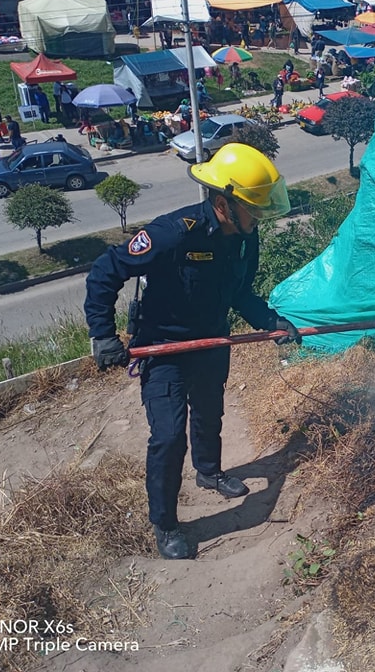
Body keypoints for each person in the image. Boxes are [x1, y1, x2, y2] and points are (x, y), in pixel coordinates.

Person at [83, 143, 302, 560]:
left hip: (212, 341)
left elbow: (240, 293)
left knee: (209, 411)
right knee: (167, 436)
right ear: (222, 204)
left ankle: (209, 472)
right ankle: (165, 523)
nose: (258, 218)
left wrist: (270, 322)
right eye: (251, 209)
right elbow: (104, 272)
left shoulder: (243, 238)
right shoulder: (172, 233)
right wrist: (104, 334)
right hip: (163, 348)